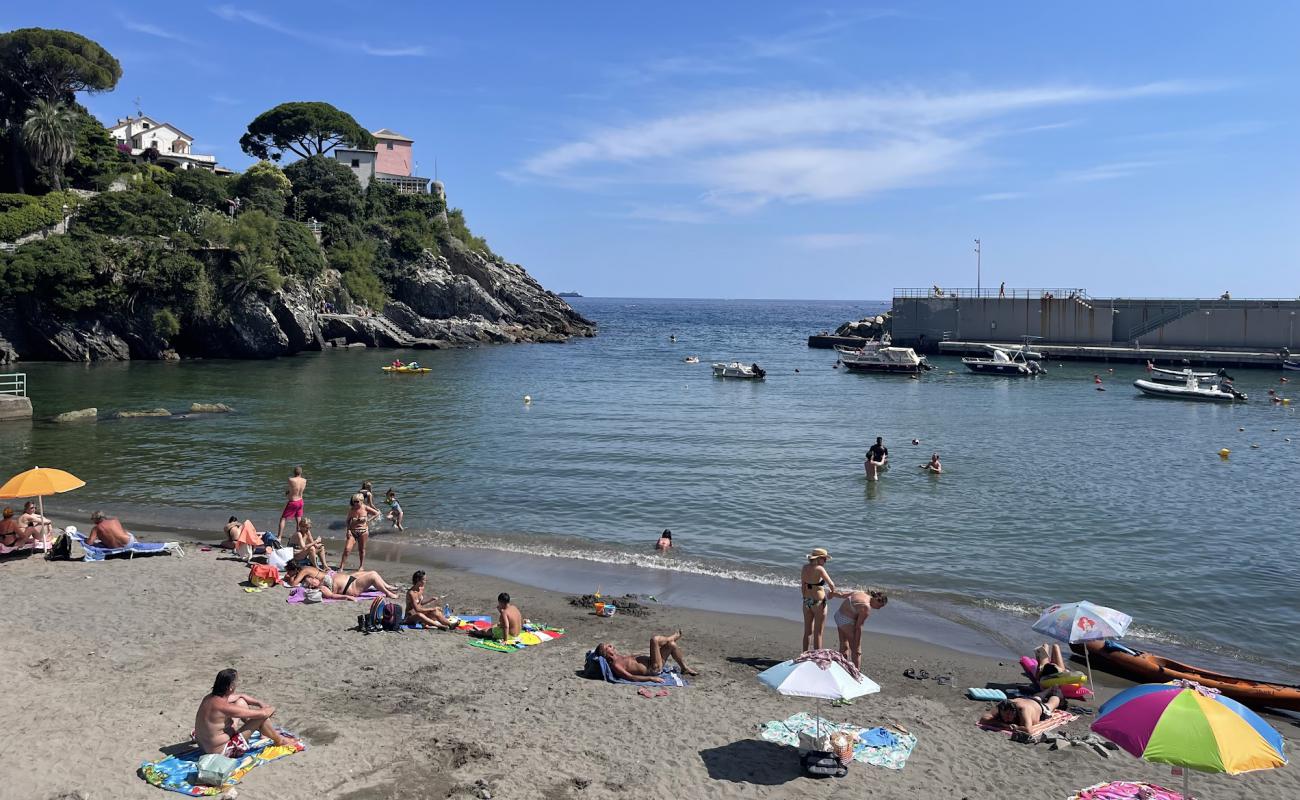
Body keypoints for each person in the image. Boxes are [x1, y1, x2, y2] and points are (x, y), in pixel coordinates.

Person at [193, 669, 299, 757]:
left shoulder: (210, 698)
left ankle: (263, 731)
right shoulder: (224, 706)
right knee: (261, 718)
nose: (237, 684)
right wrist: (271, 708)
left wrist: (259, 703)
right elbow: (262, 714)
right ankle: (279, 741)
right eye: (236, 682)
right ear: (230, 687)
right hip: (222, 751)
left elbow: (241, 696)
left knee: (241, 702)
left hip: (204, 746)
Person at [594, 632, 699, 682]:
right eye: (608, 646)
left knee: (671, 645)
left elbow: (632, 659)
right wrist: (651, 678)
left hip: (652, 661)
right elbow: (631, 677)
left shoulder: (618, 657)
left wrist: (640, 654)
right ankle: (673, 637)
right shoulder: (616, 665)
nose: (611, 645)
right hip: (653, 669)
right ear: (606, 653)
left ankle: (684, 668)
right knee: (654, 640)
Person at [833, 590, 888, 669]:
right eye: (880, 606)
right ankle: (856, 673)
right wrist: (858, 645)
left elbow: (842, 594)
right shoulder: (866, 607)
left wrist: (832, 594)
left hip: (838, 615)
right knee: (856, 651)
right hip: (846, 621)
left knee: (843, 644)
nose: (878, 609)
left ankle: (842, 668)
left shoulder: (860, 592)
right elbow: (859, 627)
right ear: (877, 600)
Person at [978, 688, 1066, 737]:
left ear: (1015, 711)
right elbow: (983, 719)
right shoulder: (1002, 706)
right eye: (1005, 715)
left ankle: (1056, 690)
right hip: (1030, 700)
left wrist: (1016, 727)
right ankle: (1050, 688)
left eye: (1009, 715)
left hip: (1041, 709)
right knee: (1037, 697)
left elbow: (1028, 730)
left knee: (1053, 702)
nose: (1007, 718)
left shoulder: (1023, 710)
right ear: (1000, 711)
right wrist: (1003, 725)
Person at [800, 548, 837, 652]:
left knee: (807, 632)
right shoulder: (819, 569)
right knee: (818, 633)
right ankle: (817, 658)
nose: (825, 561)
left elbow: (803, 585)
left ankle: (805, 655)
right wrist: (832, 593)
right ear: (818, 559)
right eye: (824, 559)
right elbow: (832, 585)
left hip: (806, 601)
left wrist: (805, 597)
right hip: (819, 602)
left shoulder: (804, 567)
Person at [339, 493, 379, 572]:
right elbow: (347, 521)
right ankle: (341, 567)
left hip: (363, 532)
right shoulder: (352, 509)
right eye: (354, 501)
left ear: (362, 501)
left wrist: (368, 520)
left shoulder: (366, 508)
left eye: (357, 501)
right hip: (352, 531)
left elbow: (376, 513)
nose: (355, 503)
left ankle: (361, 566)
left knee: (361, 550)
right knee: (347, 549)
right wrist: (348, 530)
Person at [302, 569, 398, 600]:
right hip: (351, 587)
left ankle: (387, 586)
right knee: (372, 576)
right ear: (311, 586)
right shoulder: (322, 588)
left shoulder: (321, 581)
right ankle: (388, 593)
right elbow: (332, 595)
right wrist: (347, 597)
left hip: (350, 579)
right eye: (311, 580)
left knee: (373, 571)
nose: (313, 578)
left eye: (312, 577)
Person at [277, 467, 307, 540]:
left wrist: (288, 493)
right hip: (300, 501)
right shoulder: (304, 480)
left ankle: (279, 537)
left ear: (294, 472)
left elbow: (292, 489)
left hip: (293, 502)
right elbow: (298, 489)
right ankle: (299, 537)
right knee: (298, 520)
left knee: (283, 519)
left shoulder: (291, 480)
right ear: (301, 473)